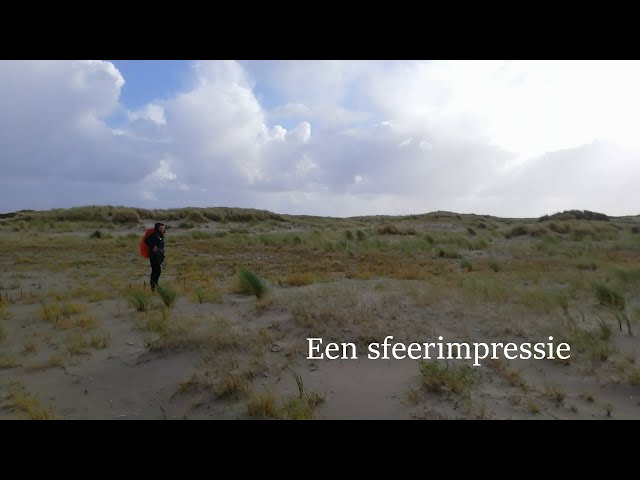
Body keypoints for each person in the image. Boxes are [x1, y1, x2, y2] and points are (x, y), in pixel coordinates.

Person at [144, 223, 166, 292]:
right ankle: (153, 286)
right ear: (157, 228)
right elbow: (146, 240)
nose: (162, 230)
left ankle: (154, 285)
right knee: (156, 271)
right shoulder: (154, 234)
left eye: (163, 228)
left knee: (157, 271)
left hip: (158, 255)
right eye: (160, 228)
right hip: (154, 256)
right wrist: (153, 246)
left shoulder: (160, 235)